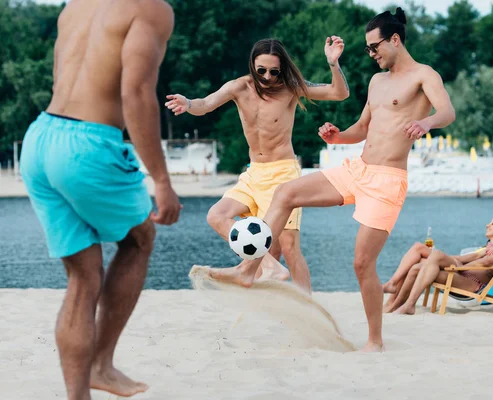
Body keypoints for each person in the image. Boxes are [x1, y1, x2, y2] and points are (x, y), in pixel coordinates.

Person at [208, 7, 456, 352]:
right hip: (357, 170)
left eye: (374, 47)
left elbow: (447, 111)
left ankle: (375, 341)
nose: (371, 54)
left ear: (395, 39)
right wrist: (337, 137)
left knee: (361, 263)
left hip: (387, 182)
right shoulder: (376, 81)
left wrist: (427, 123)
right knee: (286, 192)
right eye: (368, 49)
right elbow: (364, 128)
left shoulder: (423, 75)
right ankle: (250, 270)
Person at [19, 1, 181, 398]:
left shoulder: (76, 6)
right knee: (139, 239)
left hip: (41, 137)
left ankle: (79, 394)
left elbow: (64, 75)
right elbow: (136, 91)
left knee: (83, 274)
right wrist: (161, 179)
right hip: (88, 144)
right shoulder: (152, 9)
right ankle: (101, 364)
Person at [165, 37, 350, 292]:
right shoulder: (238, 87)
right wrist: (188, 104)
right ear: (252, 64)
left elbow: (339, 93)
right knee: (216, 215)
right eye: (261, 70)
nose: (267, 76)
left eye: (274, 71)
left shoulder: (290, 87)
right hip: (253, 174)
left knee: (288, 245)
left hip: (282, 173)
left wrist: (333, 63)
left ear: (282, 68)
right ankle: (269, 267)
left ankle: (308, 305)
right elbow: (205, 105)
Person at [394, 205, 493, 315]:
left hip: (472, 284)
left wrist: (460, 268)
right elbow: (477, 256)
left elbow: (487, 262)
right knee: (416, 268)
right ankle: (397, 305)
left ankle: (409, 305)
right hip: (465, 275)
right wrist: (459, 263)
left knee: (435, 255)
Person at [383, 213, 493, 313]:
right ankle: (395, 303)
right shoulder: (488, 246)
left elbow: (481, 261)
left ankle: (396, 292)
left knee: (422, 250)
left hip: (464, 274)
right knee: (416, 263)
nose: (487, 225)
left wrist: (448, 260)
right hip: (461, 269)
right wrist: (444, 258)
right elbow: (473, 256)